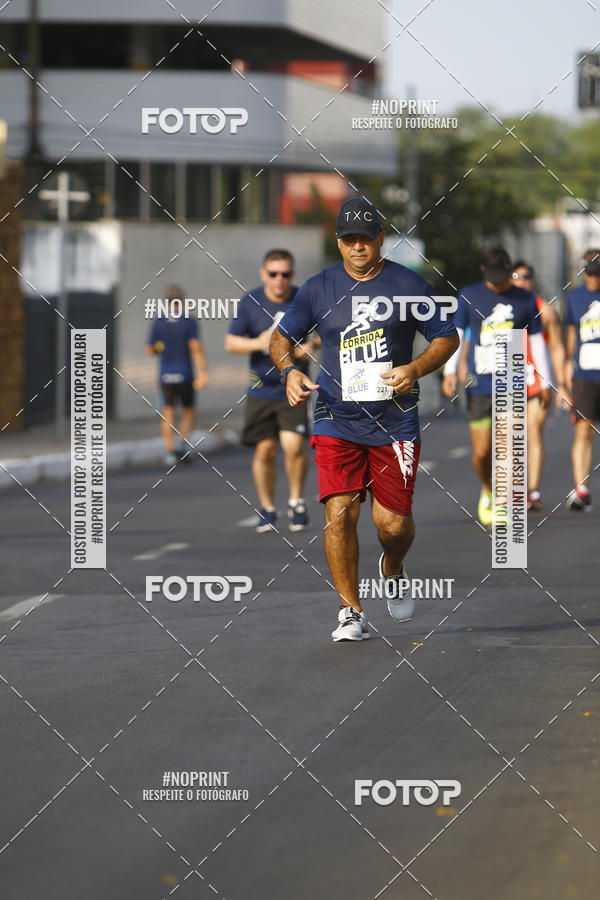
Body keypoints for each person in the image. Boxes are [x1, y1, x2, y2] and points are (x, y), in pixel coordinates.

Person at [270, 198, 459, 642]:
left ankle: (393, 565)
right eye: (348, 239)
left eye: (365, 238)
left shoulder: (408, 284)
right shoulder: (318, 288)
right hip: (336, 417)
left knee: (392, 526)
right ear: (338, 242)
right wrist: (290, 371)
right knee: (340, 515)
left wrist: (414, 369)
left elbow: (446, 338)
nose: (357, 246)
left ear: (380, 239)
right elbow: (281, 339)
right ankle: (350, 610)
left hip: (394, 421)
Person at [442, 248, 552, 526]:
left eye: (503, 277)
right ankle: (488, 490)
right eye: (493, 277)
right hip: (480, 384)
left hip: (512, 382)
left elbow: (537, 341)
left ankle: (503, 502)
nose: (498, 283)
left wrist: (547, 379)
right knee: (481, 453)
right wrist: (450, 370)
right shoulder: (469, 295)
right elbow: (456, 334)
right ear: (483, 270)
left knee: (507, 445)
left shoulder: (525, 299)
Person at [225, 249, 316, 532]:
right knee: (264, 451)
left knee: (293, 446)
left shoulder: (303, 299)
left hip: (294, 387)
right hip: (260, 388)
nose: (280, 280)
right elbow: (231, 343)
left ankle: (296, 501)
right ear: (264, 274)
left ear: (293, 274)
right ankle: (267, 507)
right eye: (274, 274)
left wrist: (312, 346)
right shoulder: (250, 302)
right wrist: (259, 343)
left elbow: (324, 331)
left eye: (285, 274)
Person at [513, 260, 565, 511]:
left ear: (533, 280)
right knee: (510, 437)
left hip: (537, 381)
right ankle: (513, 487)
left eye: (527, 276)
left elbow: (556, 347)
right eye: (517, 276)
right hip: (507, 380)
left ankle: (531, 490)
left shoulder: (544, 309)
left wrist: (559, 383)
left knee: (533, 432)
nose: (522, 280)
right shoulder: (500, 307)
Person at [146, 284, 209, 465]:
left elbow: (150, 349)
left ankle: (169, 451)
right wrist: (203, 372)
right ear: (183, 301)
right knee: (189, 410)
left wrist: (161, 347)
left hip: (165, 374)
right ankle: (182, 443)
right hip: (185, 374)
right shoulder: (189, 322)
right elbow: (195, 347)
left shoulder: (158, 322)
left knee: (168, 412)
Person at [564, 248, 600, 511]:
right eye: (590, 274)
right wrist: (565, 378)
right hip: (584, 374)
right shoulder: (575, 297)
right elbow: (570, 337)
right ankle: (582, 488)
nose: (593, 280)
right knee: (584, 428)